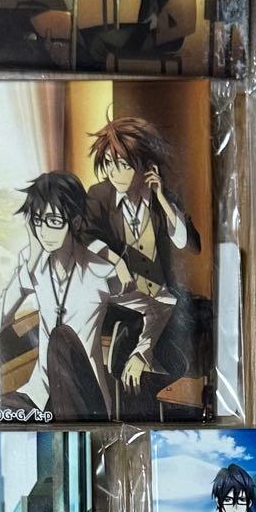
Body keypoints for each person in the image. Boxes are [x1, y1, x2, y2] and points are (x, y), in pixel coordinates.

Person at [83, 117, 202, 396]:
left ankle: (141, 364)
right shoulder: (99, 195)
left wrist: (163, 200)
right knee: (135, 351)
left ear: (146, 165)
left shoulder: (163, 198)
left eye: (123, 165)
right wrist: (116, 261)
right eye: (109, 164)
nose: (114, 173)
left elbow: (190, 245)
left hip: (162, 296)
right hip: (121, 298)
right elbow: (84, 236)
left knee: (178, 357)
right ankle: (137, 361)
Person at [0, 172, 123, 421]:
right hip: (40, 397)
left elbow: (153, 307)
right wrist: (31, 260)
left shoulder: (102, 272)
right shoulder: (33, 265)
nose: (44, 231)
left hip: (84, 400)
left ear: (75, 221)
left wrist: (143, 350)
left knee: (61, 337)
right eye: (38, 221)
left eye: (53, 221)